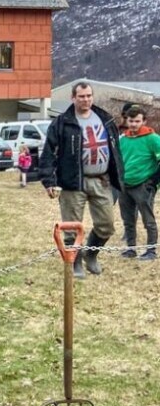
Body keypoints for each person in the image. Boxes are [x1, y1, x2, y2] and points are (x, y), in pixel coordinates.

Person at [39, 81, 124, 279]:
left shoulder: (105, 119)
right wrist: (49, 180)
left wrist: (119, 176)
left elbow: (116, 152)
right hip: (72, 181)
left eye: (88, 96)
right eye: (81, 96)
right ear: (73, 98)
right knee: (71, 226)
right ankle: (75, 263)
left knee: (106, 224)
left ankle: (91, 255)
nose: (85, 99)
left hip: (101, 180)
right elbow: (48, 153)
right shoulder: (62, 122)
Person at [118, 104, 160, 260]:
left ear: (144, 121)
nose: (133, 124)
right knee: (128, 220)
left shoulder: (153, 139)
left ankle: (151, 250)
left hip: (143, 185)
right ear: (126, 120)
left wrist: (153, 182)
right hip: (125, 185)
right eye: (131, 121)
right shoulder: (122, 140)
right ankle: (131, 248)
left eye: (137, 121)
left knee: (148, 220)